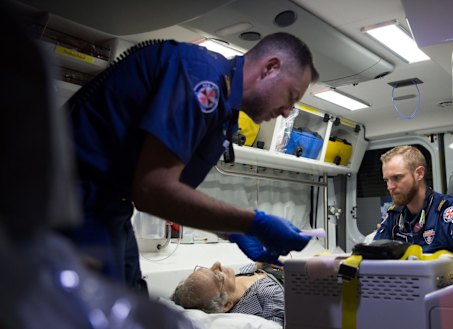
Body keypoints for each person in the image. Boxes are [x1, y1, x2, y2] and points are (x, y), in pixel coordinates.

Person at [63, 32, 320, 291]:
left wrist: (233, 232)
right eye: (291, 96)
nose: (288, 112)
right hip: (70, 195)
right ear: (270, 67)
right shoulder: (201, 78)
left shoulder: (224, 107)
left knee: (133, 294)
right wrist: (254, 223)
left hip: (108, 204)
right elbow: (153, 189)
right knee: (102, 308)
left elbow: (169, 195)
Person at [372, 145, 453, 269]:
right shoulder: (394, 215)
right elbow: (371, 256)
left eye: (396, 178)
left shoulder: (448, 209)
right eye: (386, 180)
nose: (390, 187)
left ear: (419, 174)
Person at [171, 261, 285, 326]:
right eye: (218, 277)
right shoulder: (268, 297)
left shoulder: (232, 283)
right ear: (226, 305)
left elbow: (248, 270)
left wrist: (261, 263)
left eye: (209, 269)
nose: (217, 264)